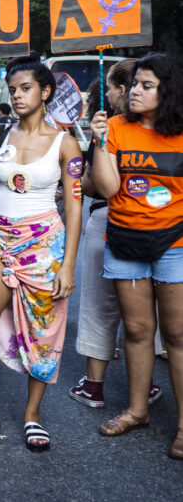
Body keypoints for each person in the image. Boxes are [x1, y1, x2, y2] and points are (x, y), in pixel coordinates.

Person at [0, 56, 82, 452]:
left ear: (45, 92)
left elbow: (74, 207)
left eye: (26, 89)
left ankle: (32, 415)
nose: (19, 95)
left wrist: (69, 265)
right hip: (0, 245)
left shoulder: (65, 143)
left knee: (43, 336)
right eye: (14, 89)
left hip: (45, 251)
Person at [89, 53, 183, 460]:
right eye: (134, 85)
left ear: (168, 91)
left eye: (147, 85)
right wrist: (97, 143)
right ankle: (137, 411)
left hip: (175, 244)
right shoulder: (113, 127)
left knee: (178, 337)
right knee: (138, 331)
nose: (135, 92)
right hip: (125, 241)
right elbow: (108, 190)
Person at [69, 61, 161, 407]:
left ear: (123, 89)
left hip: (111, 225)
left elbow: (100, 187)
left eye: (110, 88)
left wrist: (77, 180)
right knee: (144, 314)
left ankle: (94, 385)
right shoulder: (161, 129)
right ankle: (146, 384)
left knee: (99, 306)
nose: (106, 94)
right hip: (158, 229)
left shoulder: (109, 132)